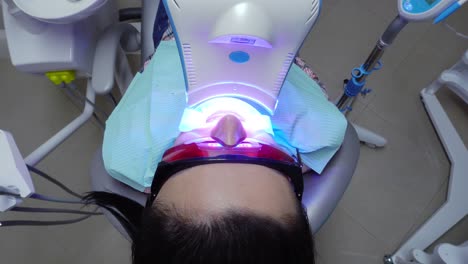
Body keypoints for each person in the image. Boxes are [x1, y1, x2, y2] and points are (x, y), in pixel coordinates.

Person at [85, 111, 315, 264]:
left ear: (151, 191)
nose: (229, 121)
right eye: (264, 151)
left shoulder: (136, 135)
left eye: (192, 150)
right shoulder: (310, 134)